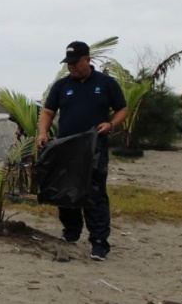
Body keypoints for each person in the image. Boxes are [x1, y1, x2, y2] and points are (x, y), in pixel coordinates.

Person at [36, 41, 128, 261]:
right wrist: (42, 132)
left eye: (75, 63)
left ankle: (98, 241)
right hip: (66, 147)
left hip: (95, 148)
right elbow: (48, 111)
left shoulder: (106, 84)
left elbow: (122, 109)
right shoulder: (61, 86)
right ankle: (71, 231)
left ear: (87, 60)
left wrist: (111, 125)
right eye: (68, 63)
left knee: (94, 192)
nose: (71, 67)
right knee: (64, 190)